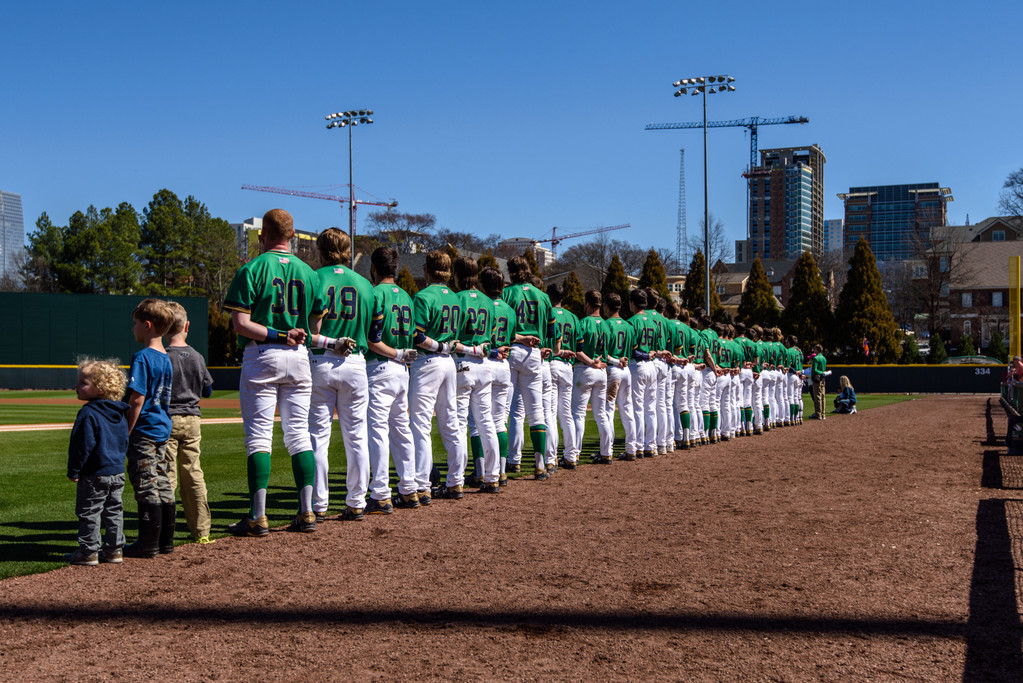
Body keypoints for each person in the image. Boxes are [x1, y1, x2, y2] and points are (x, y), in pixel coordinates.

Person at [224, 208, 319, 538]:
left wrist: (279, 333)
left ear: (262, 235)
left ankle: (258, 517)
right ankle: (306, 512)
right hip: (299, 356)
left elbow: (241, 324)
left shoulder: (251, 268)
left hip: (262, 353)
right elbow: (315, 325)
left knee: (259, 438)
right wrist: (294, 333)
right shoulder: (310, 273)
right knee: (299, 435)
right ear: (293, 236)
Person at [307, 228, 375, 522]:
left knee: (317, 437)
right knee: (357, 436)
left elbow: (312, 332)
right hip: (356, 362)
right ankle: (357, 501)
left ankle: (319, 505)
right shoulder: (365, 284)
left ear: (321, 250)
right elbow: (374, 334)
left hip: (322, 359)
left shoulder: (315, 278)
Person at [408, 250, 471, 502]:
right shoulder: (456, 298)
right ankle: (456, 481)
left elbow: (417, 336)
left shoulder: (423, 296)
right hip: (448, 363)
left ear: (427, 269)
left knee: (421, 423)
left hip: (430, 361)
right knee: (450, 422)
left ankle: (422, 484)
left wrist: (439, 346)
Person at [365, 246, 419, 510]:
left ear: (374, 268)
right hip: (402, 370)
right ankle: (409, 488)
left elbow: (371, 340)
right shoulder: (407, 297)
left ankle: (380, 492)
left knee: (378, 430)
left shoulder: (374, 293)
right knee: (401, 429)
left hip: (380, 366)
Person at [64, 359, 130, 566]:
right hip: (117, 471)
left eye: (83, 382)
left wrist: (74, 470)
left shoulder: (88, 412)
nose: (77, 386)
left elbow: (82, 446)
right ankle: (114, 550)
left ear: (100, 387)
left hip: (95, 473)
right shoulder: (120, 412)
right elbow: (124, 441)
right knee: (114, 511)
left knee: (90, 512)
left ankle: (89, 552)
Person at [123, 298, 175, 559]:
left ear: (147, 325)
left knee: (145, 482)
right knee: (163, 479)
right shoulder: (166, 357)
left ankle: (148, 543)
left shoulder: (142, 357)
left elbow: (137, 399)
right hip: (162, 428)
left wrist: (126, 431)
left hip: (144, 428)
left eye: (135, 324)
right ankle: (166, 541)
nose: (132, 329)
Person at [163, 301, 215, 544]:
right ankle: (201, 531)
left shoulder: (161, 356)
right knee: (193, 474)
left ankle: (164, 533)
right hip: (193, 419)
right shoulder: (197, 356)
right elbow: (209, 390)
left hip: (167, 419)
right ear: (187, 326)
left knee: (167, 477)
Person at [502, 256, 556, 480]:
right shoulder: (543, 296)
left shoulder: (507, 293)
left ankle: (505, 465)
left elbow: (502, 327)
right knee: (536, 412)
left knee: (507, 411)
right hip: (535, 354)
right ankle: (540, 465)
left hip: (513, 350)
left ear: (511, 271)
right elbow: (552, 333)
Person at [451, 256, 501, 493]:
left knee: (460, 423)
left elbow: (451, 339)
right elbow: (491, 339)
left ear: (458, 275)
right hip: (484, 363)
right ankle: (493, 477)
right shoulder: (489, 302)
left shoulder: (455, 298)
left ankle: (457, 481)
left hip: (463, 362)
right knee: (486, 422)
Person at [568, 290, 612, 465]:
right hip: (601, 371)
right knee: (601, 414)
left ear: (587, 303)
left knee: (578, 414)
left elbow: (577, 352)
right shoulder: (607, 325)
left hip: (585, 369)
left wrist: (590, 362)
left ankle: (575, 454)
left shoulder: (582, 322)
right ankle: (606, 453)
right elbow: (606, 354)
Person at [600, 293, 638, 460]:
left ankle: (607, 452)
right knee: (628, 410)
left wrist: (615, 361)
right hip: (626, 371)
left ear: (606, 306)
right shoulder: (628, 325)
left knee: (608, 411)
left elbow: (603, 354)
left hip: (612, 369)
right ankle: (631, 449)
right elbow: (634, 350)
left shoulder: (606, 324)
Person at [809, 343, 828, 420]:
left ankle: (818, 414)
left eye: (814, 349)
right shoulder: (824, 358)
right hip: (823, 378)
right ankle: (823, 414)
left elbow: (814, 370)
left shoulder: (816, 358)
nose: (814, 350)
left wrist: (816, 375)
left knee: (817, 396)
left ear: (816, 350)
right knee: (823, 396)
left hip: (817, 378)